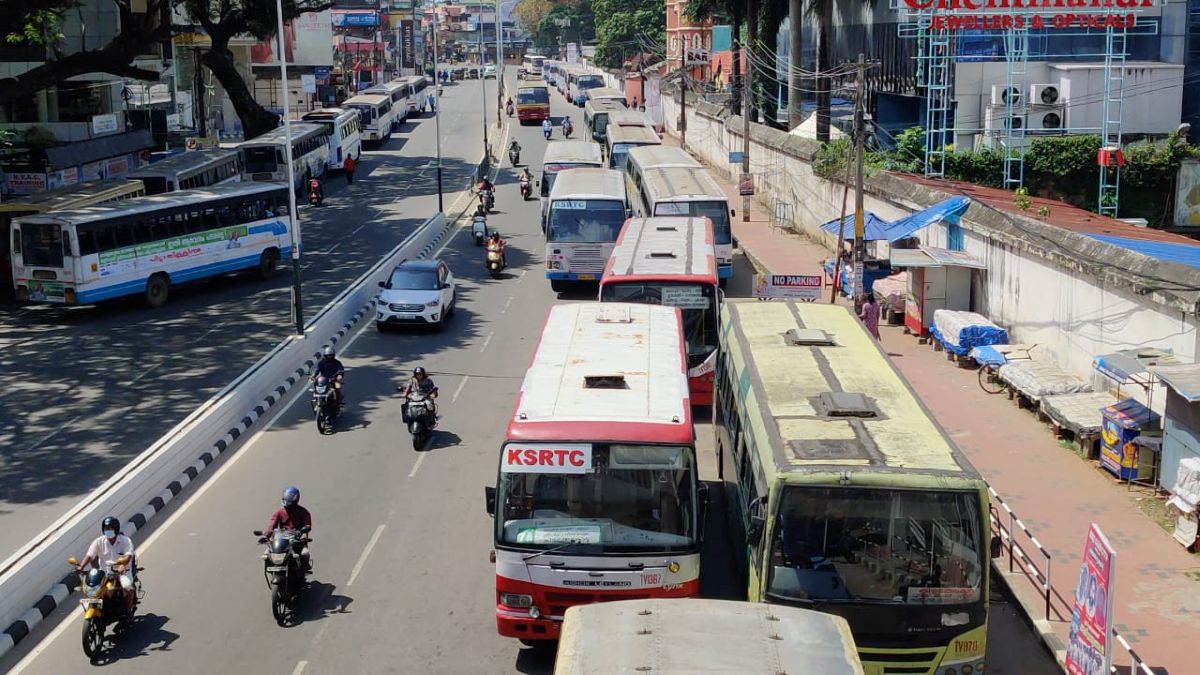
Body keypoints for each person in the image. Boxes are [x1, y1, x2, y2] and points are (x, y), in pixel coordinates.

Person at [76, 516, 137, 615]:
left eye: (110, 529)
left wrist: (122, 565)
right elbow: (90, 555)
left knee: (127, 587)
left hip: (123, 572)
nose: (108, 531)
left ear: (116, 529)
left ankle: (128, 610)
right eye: (106, 529)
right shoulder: (99, 541)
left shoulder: (126, 541)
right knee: (92, 588)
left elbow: (128, 556)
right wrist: (81, 566)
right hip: (104, 573)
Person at [263, 486, 312, 573]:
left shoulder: (303, 512)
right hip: (282, 539)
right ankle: (271, 568)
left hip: (297, 539)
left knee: (305, 553)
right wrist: (266, 535)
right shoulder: (279, 512)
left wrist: (303, 533)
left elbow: (307, 525)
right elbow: (272, 525)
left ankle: (303, 570)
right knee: (267, 553)